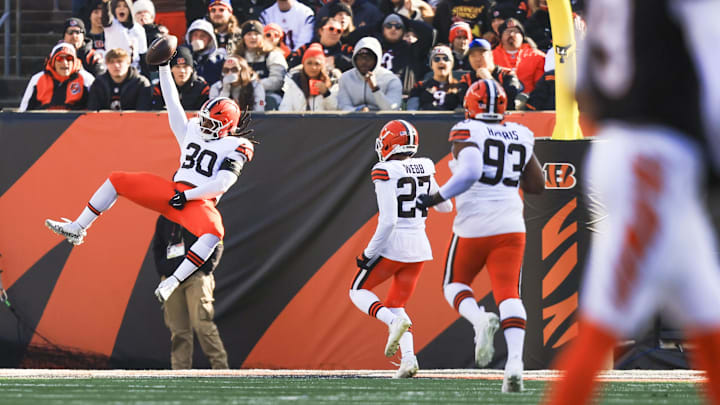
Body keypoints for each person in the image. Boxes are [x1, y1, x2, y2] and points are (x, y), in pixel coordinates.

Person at [543, 0, 720, 403]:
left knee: (708, 309)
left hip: (629, 150)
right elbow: (713, 73)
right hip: (653, 161)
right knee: (603, 317)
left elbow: (581, 86)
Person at [44, 50, 255, 308]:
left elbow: (223, 184)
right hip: (173, 190)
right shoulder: (192, 129)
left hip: (198, 201)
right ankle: (78, 227)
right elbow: (172, 101)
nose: (203, 126)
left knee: (214, 233)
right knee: (117, 179)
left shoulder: (237, 145)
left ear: (226, 128)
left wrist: (186, 196)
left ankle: (173, 281)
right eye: (204, 120)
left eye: (211, 124)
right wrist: (164, 66)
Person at [415, 79, 544, 392]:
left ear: (470, 105)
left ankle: (478, 320)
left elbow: (471, 172)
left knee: (454, 285)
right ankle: (515, 363)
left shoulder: (466, 130)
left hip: (474, 224)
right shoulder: (522, 133)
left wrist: (436, 196)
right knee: (509, 293)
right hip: (511, 224)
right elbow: (537, 185)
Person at [351, 119, 453, 378]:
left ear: (388, 142)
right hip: (419, 245)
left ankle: (392, 323)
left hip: (394, 244)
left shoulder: (384, 169)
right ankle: (408, 359)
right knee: (397, 304)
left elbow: (388, 221)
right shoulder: (425, 166)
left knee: (357, 291)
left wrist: (369, 253)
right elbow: (445, 207)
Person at [151, 216, 229, 369]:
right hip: (171, 279)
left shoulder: (202, 211)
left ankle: (221, 369)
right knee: (178, 330)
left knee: (202, 324)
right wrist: (165, 272)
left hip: (196, 277)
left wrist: (205, 269)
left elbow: (217, 241)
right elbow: (158, 247)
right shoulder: (164, 217)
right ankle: (180, 374)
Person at [19, 43, 95, 112]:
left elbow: (96, 110)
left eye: (69, 58)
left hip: (76, 124)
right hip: (44, 123)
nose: (65, 63)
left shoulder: (86, 79)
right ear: (52, 62)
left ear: (74, 61)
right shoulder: (37, 79)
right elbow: (23, 110)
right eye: (60, 59)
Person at [337, 36, 402, 111]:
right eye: (360, 57)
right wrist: (358, 111)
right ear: (354, 58)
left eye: (368, 58)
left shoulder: (391, 79)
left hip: (384, 120)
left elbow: (392, 109)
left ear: (377, 59)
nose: (364, 62)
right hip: (353, 119)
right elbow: (343, 106)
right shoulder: (345, 77)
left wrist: (375, 89)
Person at [233, 20, 287, 109]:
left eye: (256, 34)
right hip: (241, 96)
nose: (253, 37)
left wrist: (254, 86)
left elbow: (278, 81)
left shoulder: (273, 55)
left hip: (267, 95)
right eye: (249, 34)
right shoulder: (237, 57)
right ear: (243, 37)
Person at [378, 13, 434, 96]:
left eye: (398, 26)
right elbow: (354, 37)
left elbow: (430, 33)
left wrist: (404, 20)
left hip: (405, 96)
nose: (393, 29)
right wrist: (378, 23)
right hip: (378, 93)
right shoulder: (375, 47)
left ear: (403, 30)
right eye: (389, 26)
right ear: (383, 29)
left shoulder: (412, 49)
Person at [461, 38, 523, 110]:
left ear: (491, 55)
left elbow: (510, 95)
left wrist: (489, 79)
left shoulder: (507, 74)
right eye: (473, 56)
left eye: (481, 54)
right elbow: (462, 99)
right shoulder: (467, 78)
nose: (477, 59)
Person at [87, 47, 153, 110]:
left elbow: (143, 113)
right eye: (112, 62)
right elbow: (92, 111)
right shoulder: (98, 83)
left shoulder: (141, 83)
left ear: (128, 63)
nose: (116, 65)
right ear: (106, 64)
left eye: (120, 61)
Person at [279, 43, 339, 111]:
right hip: (299, 121)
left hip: (324, 121)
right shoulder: (294, 82)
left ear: (322, 66)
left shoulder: (332, 81)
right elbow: (285, 109)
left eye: (317, 64)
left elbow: (336, 109)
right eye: (309, 63)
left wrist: (326, 93)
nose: (313, 67)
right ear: (303, 64)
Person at [491, 18, 544, 94]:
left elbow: (541, 87)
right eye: (507, 32)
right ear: (500, 37)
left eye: (515, 32)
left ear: (522, 36)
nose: (511, 34)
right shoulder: (491, 56)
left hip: (528, 100)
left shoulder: (537, 56)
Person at [406, 45, 468, 111]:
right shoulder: (419, 86)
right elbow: (412, 111)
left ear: (451, 64)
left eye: (445, 59)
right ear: (431, 65)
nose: (441, 62)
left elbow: (462, 112)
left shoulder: (460, 87)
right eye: (436, 59)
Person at [151, 46, 211, 110]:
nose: (182, 71)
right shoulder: (161, 87)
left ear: (192, 69)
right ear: (171, 69)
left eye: (185, 67)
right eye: (177, 67)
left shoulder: (202, 88)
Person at [287, 17, 354, 72]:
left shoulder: (346, 49)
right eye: (331, 29)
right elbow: (292, 66)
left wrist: (337, 60)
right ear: (321, 30)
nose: (334, 33)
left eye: (339, 31)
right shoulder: (306, 48)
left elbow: (355, 64)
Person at [100, 0, 148, 70]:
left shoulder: (139, 29)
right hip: (113, 67)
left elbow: (143, 54)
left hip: (134, 69)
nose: (121, 8)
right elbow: (106, 19)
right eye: (118, 6)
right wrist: (105, 3)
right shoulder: (112, 25)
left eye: (125, 6)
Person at [185, 19, 227, 87]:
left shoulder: (219, 58)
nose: (198, 38)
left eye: (203, 36)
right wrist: (190, 49)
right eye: (195, 35)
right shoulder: (183, 55)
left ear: (210, 39)